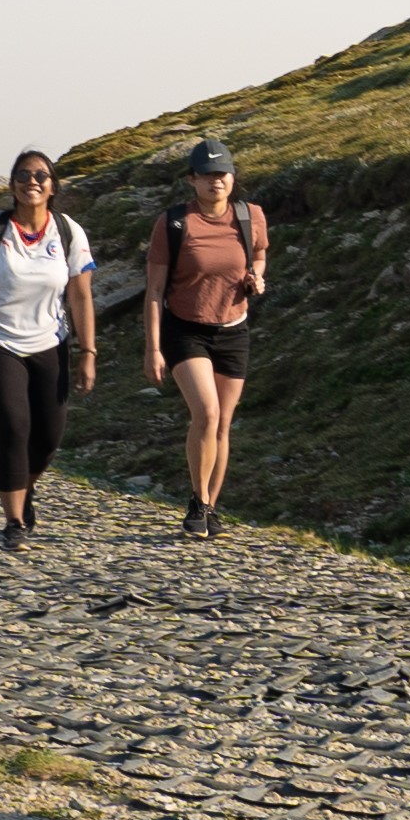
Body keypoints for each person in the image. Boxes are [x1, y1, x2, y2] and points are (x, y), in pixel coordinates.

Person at [0, 147, 95, 552]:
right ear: (12, 184)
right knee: (15, 429)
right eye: (22, 175)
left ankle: (22, 487)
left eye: (40, 175)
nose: (31, 181)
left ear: (52, 186)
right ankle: (14, 521)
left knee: (48, 439)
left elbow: (81, 297)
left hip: (51, 345)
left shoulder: (68, 231)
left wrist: (89, 352)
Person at [140, 138, 266, 540]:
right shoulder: (174, 223)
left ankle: (211, 506)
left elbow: (258, 253)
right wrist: (153, 347)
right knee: (207, 415)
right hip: (185, 329)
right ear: (192, 180)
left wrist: (256, 276)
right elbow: (155, 291)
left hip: (233, 329)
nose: (216, 181)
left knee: (224, 423)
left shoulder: (251, 216)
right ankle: (197, 501)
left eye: (222, 173)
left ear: (233, 178)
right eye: (207, 175)